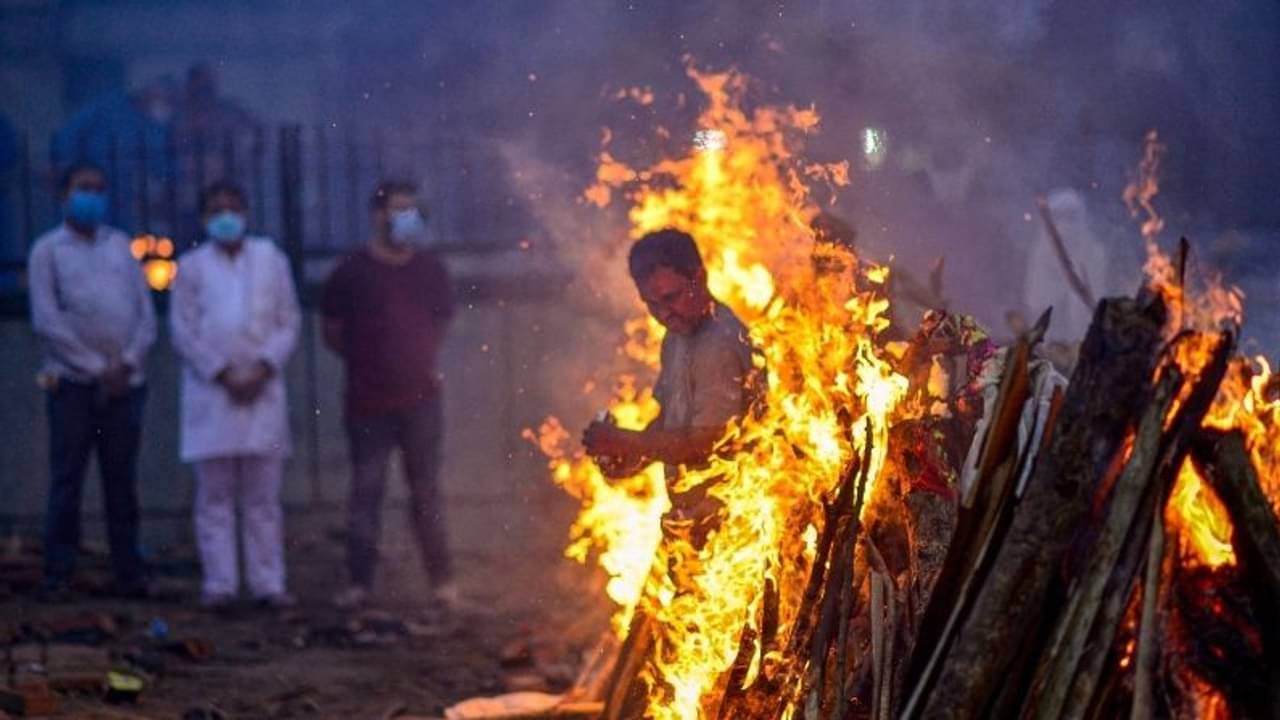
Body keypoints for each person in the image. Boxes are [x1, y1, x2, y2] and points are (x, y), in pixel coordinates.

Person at [322, 180, 457, 610]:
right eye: (398, 209)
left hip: (421, 400)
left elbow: (440, 324)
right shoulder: (351, 271)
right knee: (367, 489)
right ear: (377, 214)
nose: (405, 219)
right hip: (367, 402)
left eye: (412, 210)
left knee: (426, 492)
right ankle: (359, 583)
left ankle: (442, 583)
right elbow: (332, 331)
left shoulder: (430, 270)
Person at [27, 162, 156, 599]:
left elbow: (145, 316)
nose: (92, 196)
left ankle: (129, 573)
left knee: (122, 484)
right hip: (72, 385)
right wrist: (97, 367)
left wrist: (128, 362)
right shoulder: (48, 251)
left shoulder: (121, 246)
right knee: (67, 481)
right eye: (84, 188)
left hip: (125, 384)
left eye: (99, 189)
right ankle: (59, 574)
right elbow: (47, 322)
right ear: (64, 195)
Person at [170, 180, 300, 609]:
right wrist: (223, 373)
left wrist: (263, 368)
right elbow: (183, 330)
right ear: (205, 218)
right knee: (215, 498)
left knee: (263, 499)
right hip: (213, 393)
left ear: (245, 211)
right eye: (216, 208)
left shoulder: (270, 258)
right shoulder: (190, 267)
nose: (226, 215)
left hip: (262, 390)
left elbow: (288, 321)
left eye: (232, 207)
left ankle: (268, 584)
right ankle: (221, 585)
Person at [581, 228, 758, 543]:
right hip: (691, 523)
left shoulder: (719, 345)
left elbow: (702, 443)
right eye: (651, 304)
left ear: (699, 278)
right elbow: (669, 422)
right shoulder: (676, 337)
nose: (664, 314)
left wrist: (626, 442)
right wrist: (631, 459)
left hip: (734, 527)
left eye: (671, 298)